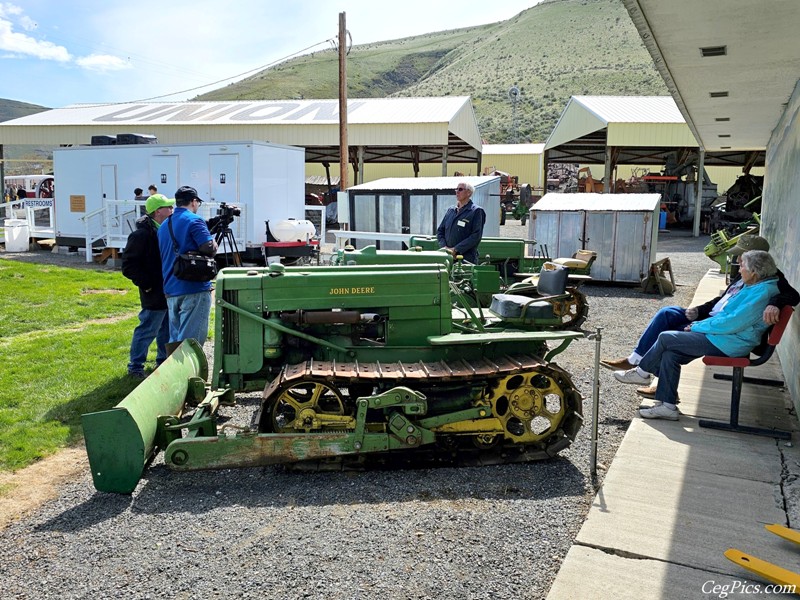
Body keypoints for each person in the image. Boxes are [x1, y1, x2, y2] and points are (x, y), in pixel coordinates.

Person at [601, 234, 799, 400]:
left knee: (672, 337)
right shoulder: (747, 273)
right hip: (714, 319)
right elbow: (723, 300)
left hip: (724, 330)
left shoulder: (768, 277)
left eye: (741, 257)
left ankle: (656, 382)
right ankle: (636, 359)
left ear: (755, 259)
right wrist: (699, 310)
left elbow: (792, 295)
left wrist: (775, 303)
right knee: (667, 313)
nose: (737, 261)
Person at [613, 250, 781, 421]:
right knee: (671, 354)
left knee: (666, 337)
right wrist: (700, 324)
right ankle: (667, 406)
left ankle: (641, 372)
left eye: (743, 266)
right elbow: (726, 315)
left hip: (731, 342)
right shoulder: (755, 286)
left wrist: (697, 326)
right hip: (724, 337)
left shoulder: (762, 293)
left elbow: (732, 322)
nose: (739, 271)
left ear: (754, 272)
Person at [121, 194, 176, 379]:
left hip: (168, 290)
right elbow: (128, 266)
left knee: (166, 328)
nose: (172, 209)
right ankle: (135, 367)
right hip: (154, 291)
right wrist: (148, 285)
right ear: (158, 211)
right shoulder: (141, 235)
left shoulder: (165, 230)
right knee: (147, 329)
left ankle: (162, 361)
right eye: (168, 207)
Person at [157, 185, 217, 347]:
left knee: (176, 341)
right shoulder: (194, 220)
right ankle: (187, 373)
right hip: (193, 287)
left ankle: (174, 370)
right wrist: (214, 239)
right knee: (191, 344)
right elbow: (208, 248)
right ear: (193, 201)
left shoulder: (164, 225)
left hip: (171, 287)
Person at [436, 182, 486, 264]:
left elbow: (476, 236)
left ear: (469, 193)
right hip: (448, 258)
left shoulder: (476, 211)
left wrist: (456, 249)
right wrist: (444, 247)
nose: (457, 192)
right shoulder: (451, 210)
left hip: (465, 260)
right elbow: (440, 231)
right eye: (456, 189)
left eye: (460, 189)